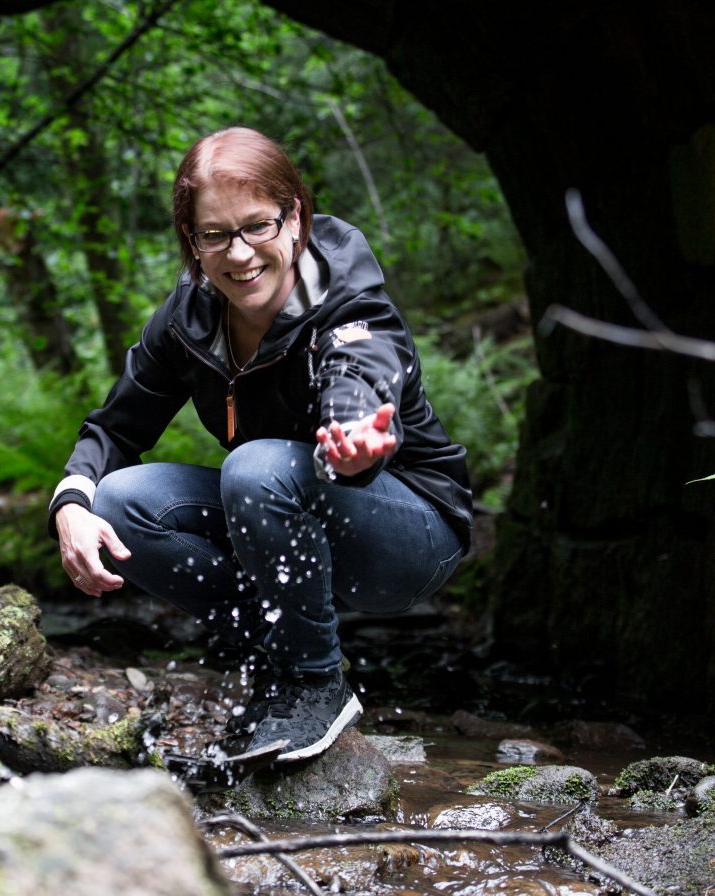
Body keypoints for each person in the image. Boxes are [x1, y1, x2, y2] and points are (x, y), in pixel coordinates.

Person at [48, 127, 471, 763]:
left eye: (258, 227)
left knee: (256, 466)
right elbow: (114, 428)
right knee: (118, 502)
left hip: (407, 532)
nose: (239, 254)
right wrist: (71, 505)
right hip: (283, 518)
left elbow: (360, 368)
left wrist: (351, 441)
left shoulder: (347, 295)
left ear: (294, 216)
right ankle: (281, 666)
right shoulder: (187, 320)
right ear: (192, 241)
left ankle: (315, 685)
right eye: (214, 234)